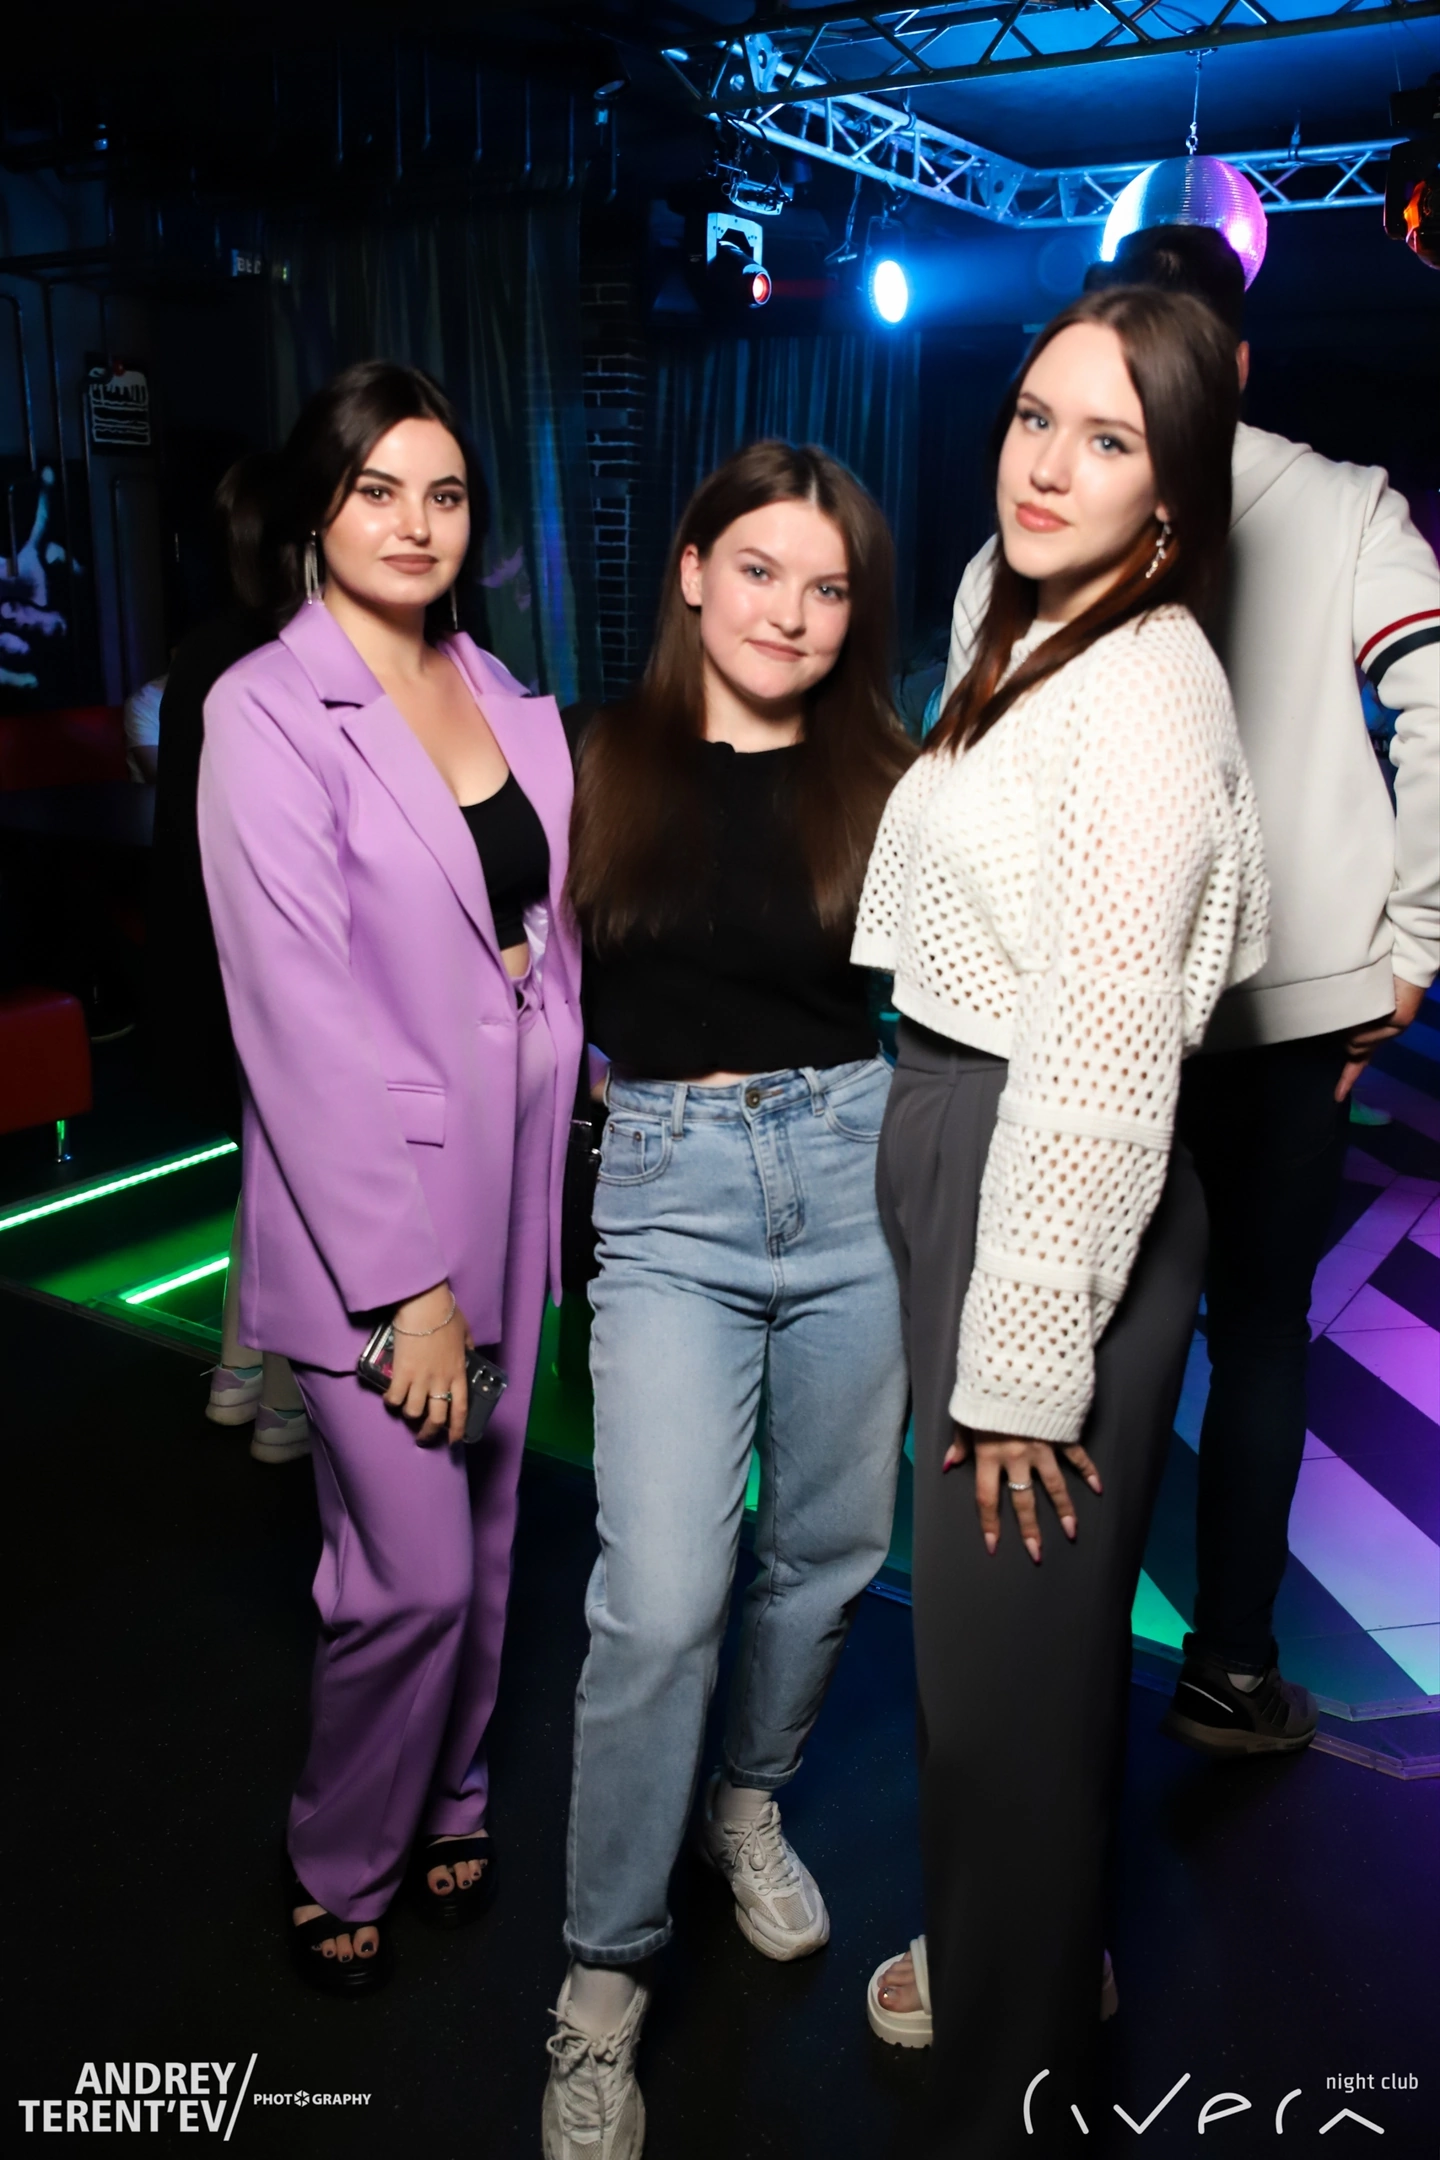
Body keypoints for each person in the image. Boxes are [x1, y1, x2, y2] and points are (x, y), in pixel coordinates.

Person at [855, 287, 1267, 2154]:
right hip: (971, 1129)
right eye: (1036, 416)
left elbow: (1104, 1049)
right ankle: (1027, 1952)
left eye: (1110, 440)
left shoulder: (1148, 690)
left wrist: (1024, 1367)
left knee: (997, 1683)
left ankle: (1010, 2069)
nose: (1047, 465)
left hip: (1040, 1159)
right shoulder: (1015, 612)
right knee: (1017, 1657)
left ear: (1173, 490)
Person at [949, 224, 1439, 1752]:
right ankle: (1226, 1668)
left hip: (1110, 1016)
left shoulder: (1039, 530)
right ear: (1239, 357)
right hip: (1283, 1017)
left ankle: (1059, 1691)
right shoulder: (1344, 503)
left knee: (1087, 1337)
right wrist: (1410, 947)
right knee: (1260, 1336)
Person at [541, 441, 914, 2159]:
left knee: (829, 1552)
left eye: (829, 588)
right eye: (760, 570)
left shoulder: (888, 776)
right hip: (670, 1197)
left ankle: (745, 1806)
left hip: (854, 1176)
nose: (793, 613)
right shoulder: (588, 758)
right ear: (691, 570)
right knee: (662, 1600)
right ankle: (601, 1986)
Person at [198, 360, 582, 1990]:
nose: (416, 525)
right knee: (409, 1575)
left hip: (514, 1188)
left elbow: (530, 922)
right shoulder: (265, 712)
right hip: (382, 1232)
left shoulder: (492, 685)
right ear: (318, 508)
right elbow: (294, 1016)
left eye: (445, 494)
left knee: (488, 1546)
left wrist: (563, 1035)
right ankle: (339, 1848)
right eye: (377, 491)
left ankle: (455, 1793)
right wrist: (408, 1291)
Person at [147, 454, 311, 1462]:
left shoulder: (206, 653)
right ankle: (280, 1392)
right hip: (271, 960)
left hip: (208, 952)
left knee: (271, 1162)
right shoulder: (289, 662)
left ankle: (242, 1364)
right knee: (299, 1171)